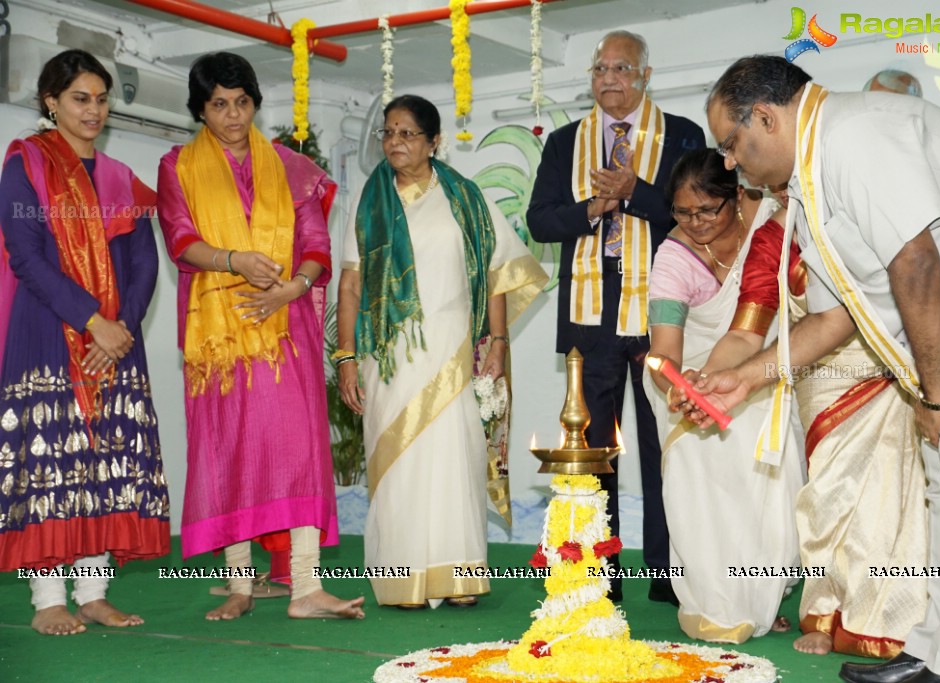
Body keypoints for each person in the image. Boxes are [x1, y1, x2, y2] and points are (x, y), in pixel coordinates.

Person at [701, 55, 940, 683]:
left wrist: (933, 398)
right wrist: (750, 375)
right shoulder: (809, 181)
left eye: (732, 145)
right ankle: (937, 648)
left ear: (765, 116)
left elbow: (916, 261)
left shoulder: (853, 133)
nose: (730, 163)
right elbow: (834, 318)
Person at [157, 52, 364, 621]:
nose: (233, 115)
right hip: (219, 335)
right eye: (219, 104)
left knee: (296, 450)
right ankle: (240, 585)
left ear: (255, 104)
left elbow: (317, 248)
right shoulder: (177, 166)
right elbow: (180, 240)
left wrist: (291, 289)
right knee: (230, 449)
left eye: (242, 102)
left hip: (285, 328)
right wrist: (235, 260)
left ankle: (305, 589)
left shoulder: (292, 168)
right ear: (200, 110)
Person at [699, 183, 927, 657]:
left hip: (888, 367)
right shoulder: (769, 241)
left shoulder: (861, 215)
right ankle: (825, 612)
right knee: (827, 497)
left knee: (894, 496)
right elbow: (746, 332)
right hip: (818, 381)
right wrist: (711, 378)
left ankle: (891, 618)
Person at [337, 94, 546, 609]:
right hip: (389, 353)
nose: (394, 142)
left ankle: (459, 577)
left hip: (454, 346)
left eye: (407, 133)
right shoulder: (368, 202)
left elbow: (498, 274)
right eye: (388, 132)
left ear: (434, 142)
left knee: (455, 459)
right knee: (398, 463)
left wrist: (497, 343)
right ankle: (403, 580)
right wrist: (345, 357)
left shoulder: (466, 199)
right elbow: (350, 287)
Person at [526, 30, 704, 604]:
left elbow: (694, 218)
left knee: (662, 443)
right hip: (590, 309)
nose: (609, 79)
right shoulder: (563, 143)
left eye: (621, 68)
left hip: (662, 306)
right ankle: (600, 570)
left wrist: (635, 191)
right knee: (594, 446)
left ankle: (667, 569)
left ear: (646, 76)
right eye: (599, 69)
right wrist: (592, 208)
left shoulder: (681, 135)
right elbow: (541, 222)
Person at [0, 49, 170, 635]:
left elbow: (144, 262)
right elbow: (27, 255)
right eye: (80, 98)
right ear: (51, 102)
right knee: (52, 456)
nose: (93, 109)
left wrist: (119, 327)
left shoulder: (122, 178)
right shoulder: (27, 165)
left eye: (101, 98)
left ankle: (94, 593)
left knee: (105, 457)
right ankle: (49, 599)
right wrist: (91, 319)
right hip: (48, 328)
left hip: (116, 338)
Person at [643, 149, 803, 643]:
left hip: (764, 374)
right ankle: (716, 602)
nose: (694, 223)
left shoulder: (767, 227)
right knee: (701, 478)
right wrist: (689, 392)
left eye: (706, 210)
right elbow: (663, 355)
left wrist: (732, 380)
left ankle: (762, 594)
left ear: (735, 197)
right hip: (690, 385)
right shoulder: (673, 256)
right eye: (682, 212)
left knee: (768, 474)